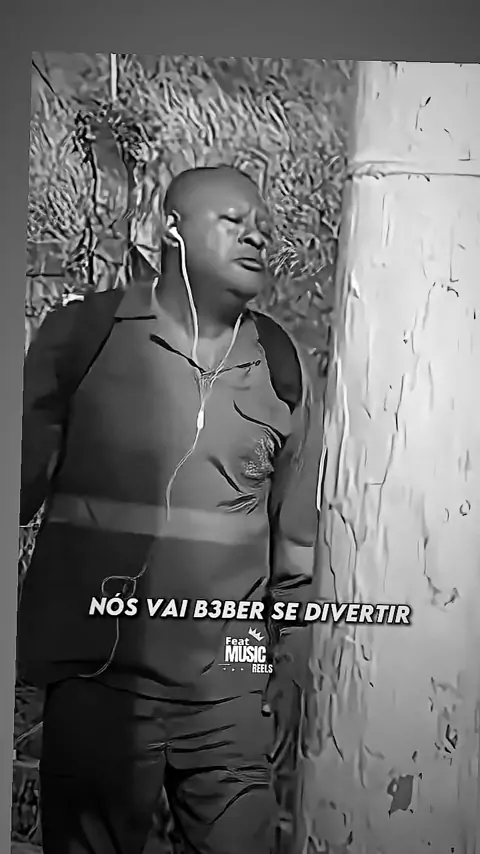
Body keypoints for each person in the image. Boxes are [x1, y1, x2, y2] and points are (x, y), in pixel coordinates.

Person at [18, 165, 321, 854]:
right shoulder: (84, 336)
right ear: (172, 231)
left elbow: (295, 549)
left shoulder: (283, 365)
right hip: (99, 681)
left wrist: (287, 667)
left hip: (231, 695)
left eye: (263, 224)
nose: (257, 235)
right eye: (233, 221)